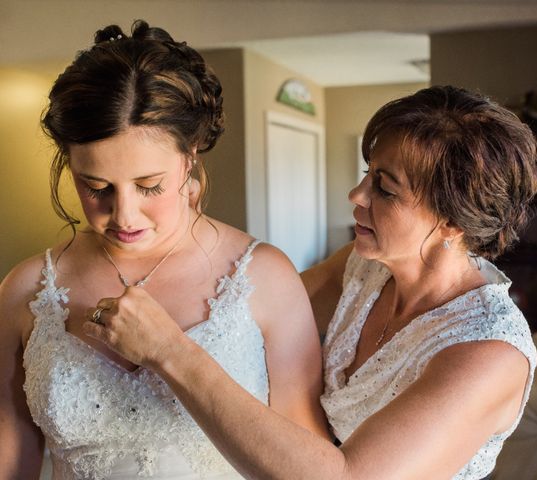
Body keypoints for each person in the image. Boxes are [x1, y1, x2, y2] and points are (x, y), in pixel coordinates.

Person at [83, 85, 537, 479]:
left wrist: (169, 352)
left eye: (385, 188)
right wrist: (171, 218)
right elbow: (242, 317)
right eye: (368, 174)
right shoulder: (363, 270)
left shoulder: (487, 353)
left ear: (452, 221)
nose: (356, 196)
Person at [0, 21, 328, 479]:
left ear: (190, 156)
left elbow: (310, 469)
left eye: (149, 186)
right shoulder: (24, 289)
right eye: (96, 187)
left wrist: (169, 350)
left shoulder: (265, 278)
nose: (124, 215)